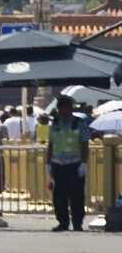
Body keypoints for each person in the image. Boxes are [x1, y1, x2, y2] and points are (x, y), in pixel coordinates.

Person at [46, 94, 90, 231]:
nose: (67, 110)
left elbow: (84, 144)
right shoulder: (54, 124)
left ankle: (77, 223)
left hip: (75, 164)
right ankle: (63, 222)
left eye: (69, 107)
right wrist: (48, 164)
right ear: (59, 109)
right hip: (58, 164)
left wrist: (83, 164)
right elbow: (51, 145)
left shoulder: (79, 123)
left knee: (76, 195)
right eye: (64, 108)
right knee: (59, 195)